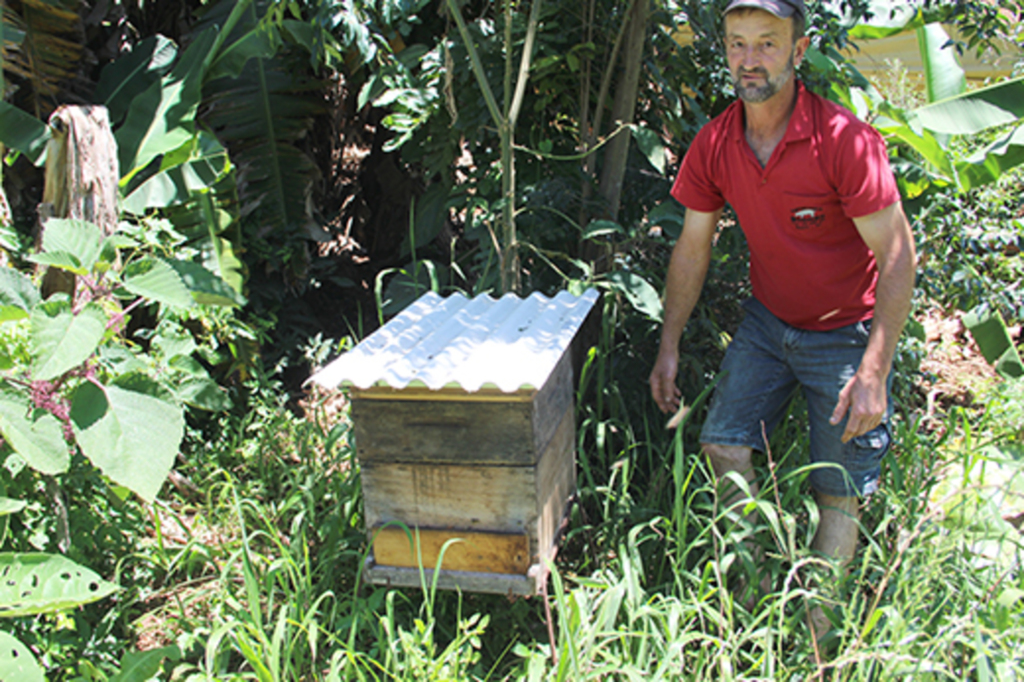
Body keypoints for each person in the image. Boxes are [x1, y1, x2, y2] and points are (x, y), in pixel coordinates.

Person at [648, 0, 916, 635]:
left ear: (798, 52)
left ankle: (816, 640)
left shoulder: (843, 140)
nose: (749, 59)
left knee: (837, 492)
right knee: (722, 444)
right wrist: (670, 344)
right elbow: (693, 247)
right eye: (738, 44)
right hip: (768, 325)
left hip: (846, 330)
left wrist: (874, 370)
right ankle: (756, 598)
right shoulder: (716, 142)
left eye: (767, 44)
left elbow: (898, 256)